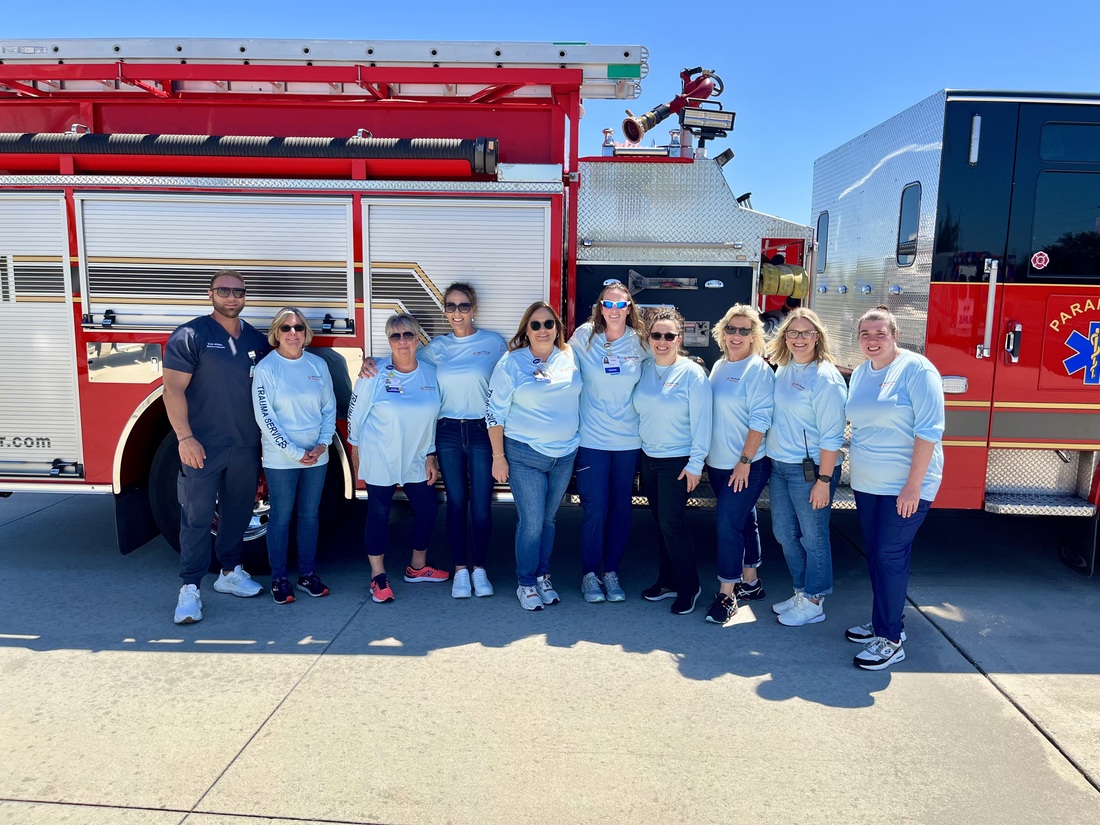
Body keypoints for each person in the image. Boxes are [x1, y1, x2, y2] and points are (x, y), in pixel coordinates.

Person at [164, 269, 269, 624]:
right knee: (196, 517)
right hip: (203, 445)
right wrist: (184, 437)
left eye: (238, 292)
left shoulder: (256, 339)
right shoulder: (191, 335)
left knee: (238, 513)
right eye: (223, 290)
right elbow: (173, 389)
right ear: (210, 294)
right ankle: (190, 588)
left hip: (245, 444)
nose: (231, 297)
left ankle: (229, 573)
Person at [845, 305, 945, 670]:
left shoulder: (916, 369)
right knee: (876, 554)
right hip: (868, 483)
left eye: (880, 333)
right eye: (866, 334)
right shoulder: (860, 372)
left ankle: (889, 640)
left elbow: (929, 430)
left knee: (889, 556)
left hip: (905, 486)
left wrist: (912, 487)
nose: (873, 340)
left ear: (895, 335)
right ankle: (886, 622)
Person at [486, 302, 581, 611]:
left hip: (564, 455)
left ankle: (542, 576)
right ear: (526, 330)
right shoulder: (512, 363)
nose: (543, 330)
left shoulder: (569, 357)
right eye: (536, 325)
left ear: (558, 328)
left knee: (549, 520)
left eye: (549, 324)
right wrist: (498, 457)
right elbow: (494, 414)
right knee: (532, 522)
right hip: (524, 453)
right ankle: (525, 583)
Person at [348, 313, 446, 604]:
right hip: (381, 454)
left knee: (428, 509)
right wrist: (355, 453)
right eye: (395, 336)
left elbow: (433, 419)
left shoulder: (430, 373)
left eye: (408, 335)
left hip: (416, 456)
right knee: (379, 514)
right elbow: (356, 414)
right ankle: (377, 577)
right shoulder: (374, 371)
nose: (402, 341)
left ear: (418, 338)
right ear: (388, 341)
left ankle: (417, 567)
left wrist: (430, 455)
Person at [420, 283, 507, 599]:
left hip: (483, 431)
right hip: (447, 432)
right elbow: (404, 364)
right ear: (445, 310)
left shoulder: (493, 343)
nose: (457, 313)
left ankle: (480, 570)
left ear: (475, 308)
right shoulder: (436, 348)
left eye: (464, 306)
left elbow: (511, 379)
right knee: (456, 503)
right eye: (451, 306)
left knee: (482, 504)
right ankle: (460, 570)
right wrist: (372, 365)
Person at [765, 307, 847, 627]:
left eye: (806, 333)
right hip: (780, 465)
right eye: (793, 333)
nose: (799, 339)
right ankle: (800, 591)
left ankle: (815, 599)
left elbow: (832, 436)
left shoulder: (825, 379)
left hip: (810, 470)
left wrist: (824, 480)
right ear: (785, 336)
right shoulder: (783, 368)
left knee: (813, 537)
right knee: (785, 533)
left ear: (818, 337)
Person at [568, 282, 649, 603]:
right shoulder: (583, 337)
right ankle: (590, 574)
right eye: (609, 305)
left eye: (622, 305)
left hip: (629, 442)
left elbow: (661, 369)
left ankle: (611, 573)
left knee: (621, 509)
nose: (615, 311)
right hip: (592, 440)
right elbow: (557, 365)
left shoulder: (640, 342)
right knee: (595, 508)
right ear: (600, 307)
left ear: (630, 308)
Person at [251, 307, 336, 605]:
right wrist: (295, 452)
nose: (292, 333)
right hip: (281, 458)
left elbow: (329, 407)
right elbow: (265, 416)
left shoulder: (317, 365)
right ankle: (279, 578)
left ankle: (307, 575)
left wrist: (323, 444)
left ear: (305, 333)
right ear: (276, 333)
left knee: (309, 517)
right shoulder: (266, 369)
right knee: (281, 518)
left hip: (317, 456)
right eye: (286, 328)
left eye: (298, 327)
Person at [634, 307, 712, 616]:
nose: (662, 341)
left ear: (679, 338)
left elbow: (703, 421)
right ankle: (666, 582)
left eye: (669, 336)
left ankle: (689, 587)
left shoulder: (692, 373)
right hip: (649, 458)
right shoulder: (644, 368)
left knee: (672, 524)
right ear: (648, 338)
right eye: (656, 335)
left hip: (677, 462)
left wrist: (696, 464)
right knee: (660, 523)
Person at [703, 305, 774, 626]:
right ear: (722, 332)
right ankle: (752, 582)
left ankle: (727, 595)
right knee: (745, 521)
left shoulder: (757, 369)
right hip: (718, 465)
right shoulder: (719, 366)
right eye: (731, 329)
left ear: (754, 336)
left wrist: (744, 461)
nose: (736, 335)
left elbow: (761, 420)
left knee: (727, 525)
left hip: (746, 465)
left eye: (744, 331)